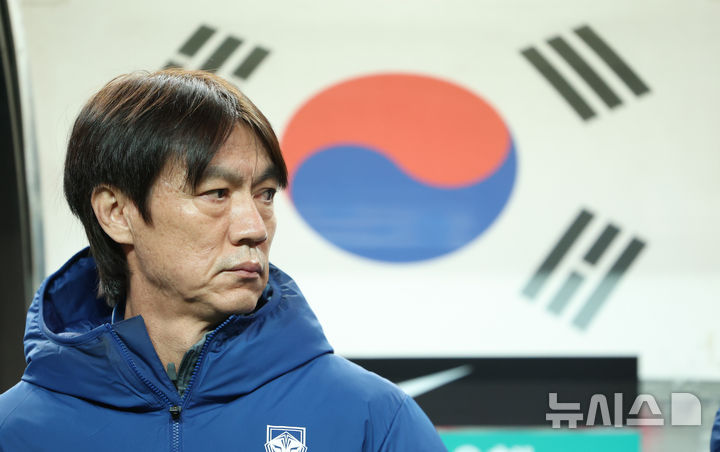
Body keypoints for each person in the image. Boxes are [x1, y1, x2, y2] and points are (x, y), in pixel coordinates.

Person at [0, 69, 447, 451]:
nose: (254, 227)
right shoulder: (15, 431)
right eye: (216, 193)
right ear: (117, 213)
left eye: (265, 194)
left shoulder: (373, 421)